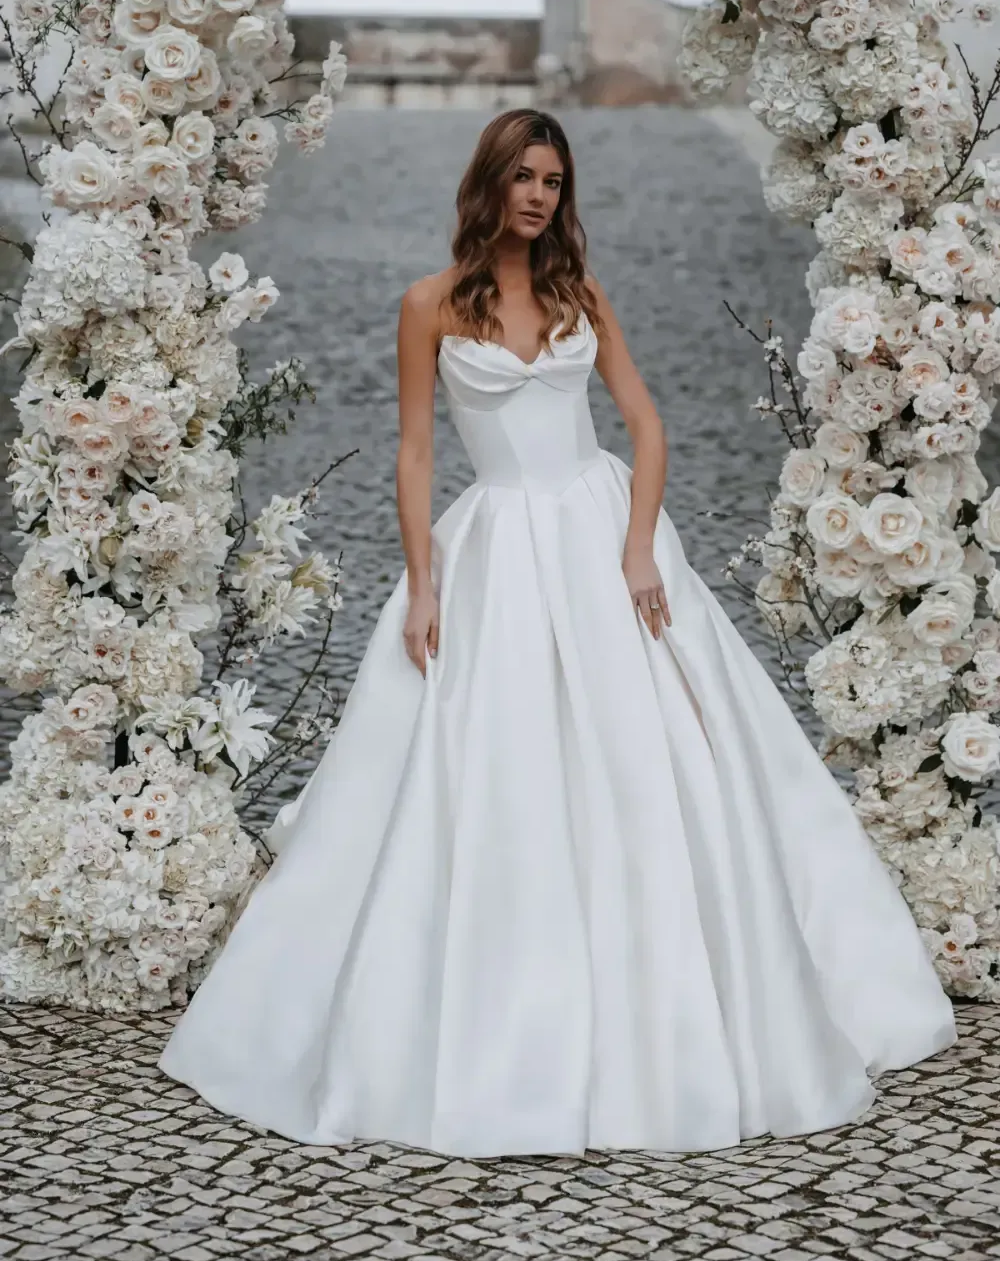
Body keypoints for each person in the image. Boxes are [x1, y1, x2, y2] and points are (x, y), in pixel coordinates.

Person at [159, 108, 957, 1157]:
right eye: (523, 176)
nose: (538, 195)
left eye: (552, 180)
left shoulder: (582, 297)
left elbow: (648, 426)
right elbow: (411, 455)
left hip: (599, 531)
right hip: (494, 545)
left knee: (653, 758)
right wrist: (422, 581)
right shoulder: (429, 308)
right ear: (488, 183)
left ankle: (689, 992)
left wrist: (636, 548)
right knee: (494, 766)